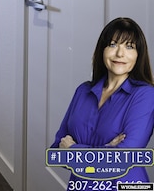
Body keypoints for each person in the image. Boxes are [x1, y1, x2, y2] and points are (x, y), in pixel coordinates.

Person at [51, 17, 154, 187]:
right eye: (113, 44)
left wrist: (73, 149)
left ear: (138, 55)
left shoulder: (146, 95)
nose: (120, 54)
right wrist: (107, 149)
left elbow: (122, 160)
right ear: (102, 50)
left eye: (129, 46)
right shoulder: (83, 91)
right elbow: (56, 152)